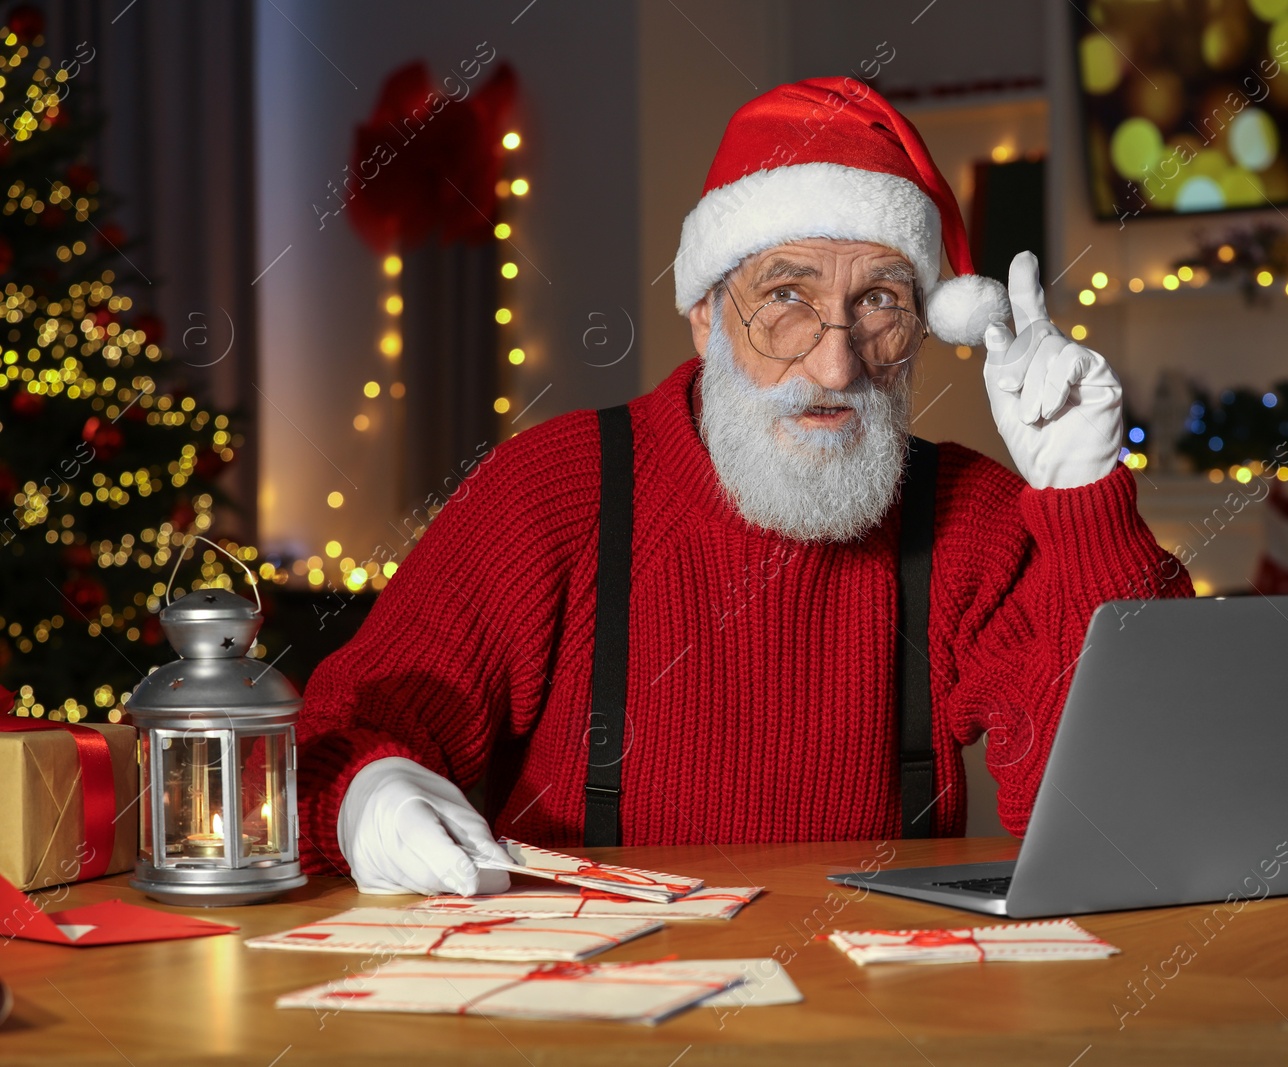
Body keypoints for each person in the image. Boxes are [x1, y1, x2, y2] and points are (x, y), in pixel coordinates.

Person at [295, 77, 1192, 895]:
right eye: (787, 297)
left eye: (880, 301)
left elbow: (1132, 816)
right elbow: (337, 731)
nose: (836, 362)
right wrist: (371, 788)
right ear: (704, 316)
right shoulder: (547, 495)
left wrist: (1085, 499)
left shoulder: (970, 519)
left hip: (889, 1019)